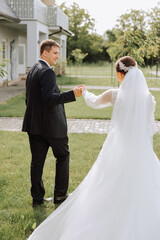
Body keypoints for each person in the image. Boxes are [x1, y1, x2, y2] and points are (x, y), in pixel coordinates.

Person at [28, 56, 160, 240]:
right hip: (142, 152)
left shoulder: (115, 94)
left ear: (119, 74)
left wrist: (85, 91)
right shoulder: (148, 99)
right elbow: (149, 128)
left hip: (118, 150)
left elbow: (94, 102)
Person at [22, 39, 83, 206]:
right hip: (52, 127)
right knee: (63, 156)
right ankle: (60, 196)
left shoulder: (33, 69)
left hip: (34, 126)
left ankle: (37, 199)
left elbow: (30, 99)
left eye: (58, 53)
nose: (58, 56)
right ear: (45, 53)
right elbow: (49, 98)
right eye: (55, 53)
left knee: (37, 162)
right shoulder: (47, 72)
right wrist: (73, 94)